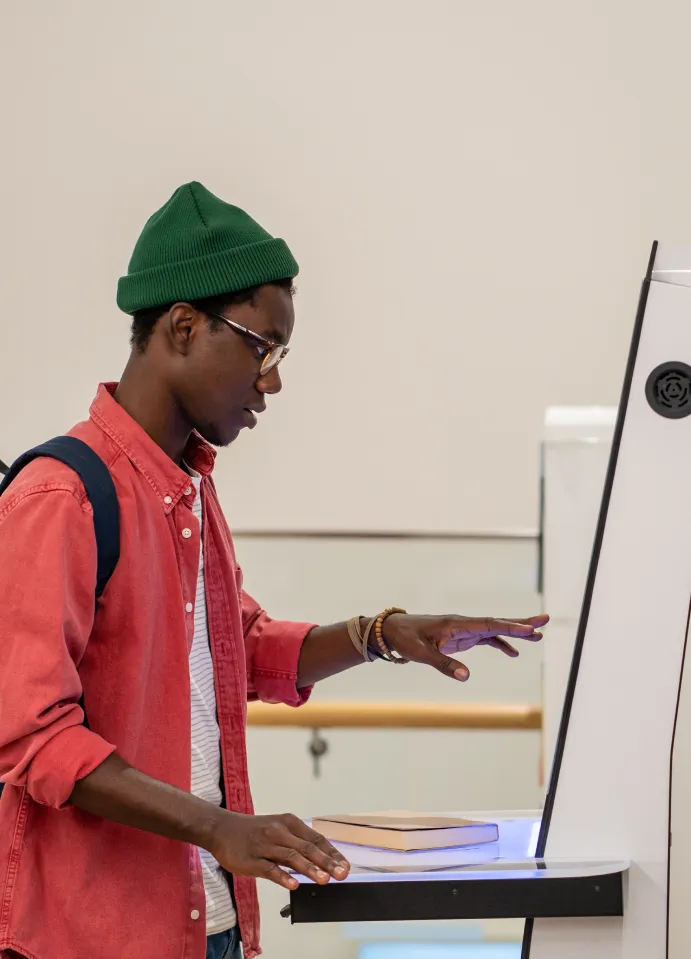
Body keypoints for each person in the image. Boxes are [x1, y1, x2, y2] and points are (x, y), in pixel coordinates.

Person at [0, 181, 547, 959]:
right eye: (262, 347)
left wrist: (382, 634)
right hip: (93, 938)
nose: (273, 380)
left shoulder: (187, 487)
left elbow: (240, 649)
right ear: (183, 327)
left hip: (211, 925)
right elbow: (33, 738)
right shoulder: (61, 496)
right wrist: (219, 825)